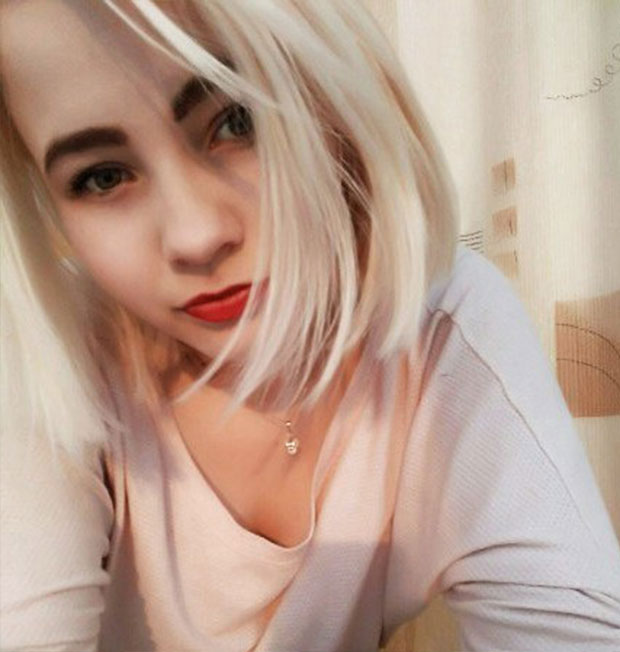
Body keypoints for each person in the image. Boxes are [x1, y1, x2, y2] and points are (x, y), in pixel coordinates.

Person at [1, 1, 619, 650]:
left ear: (334, 96)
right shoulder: (47, 350)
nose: (195, 236)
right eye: (103, 177)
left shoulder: (441, 328)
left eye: (236, 121)